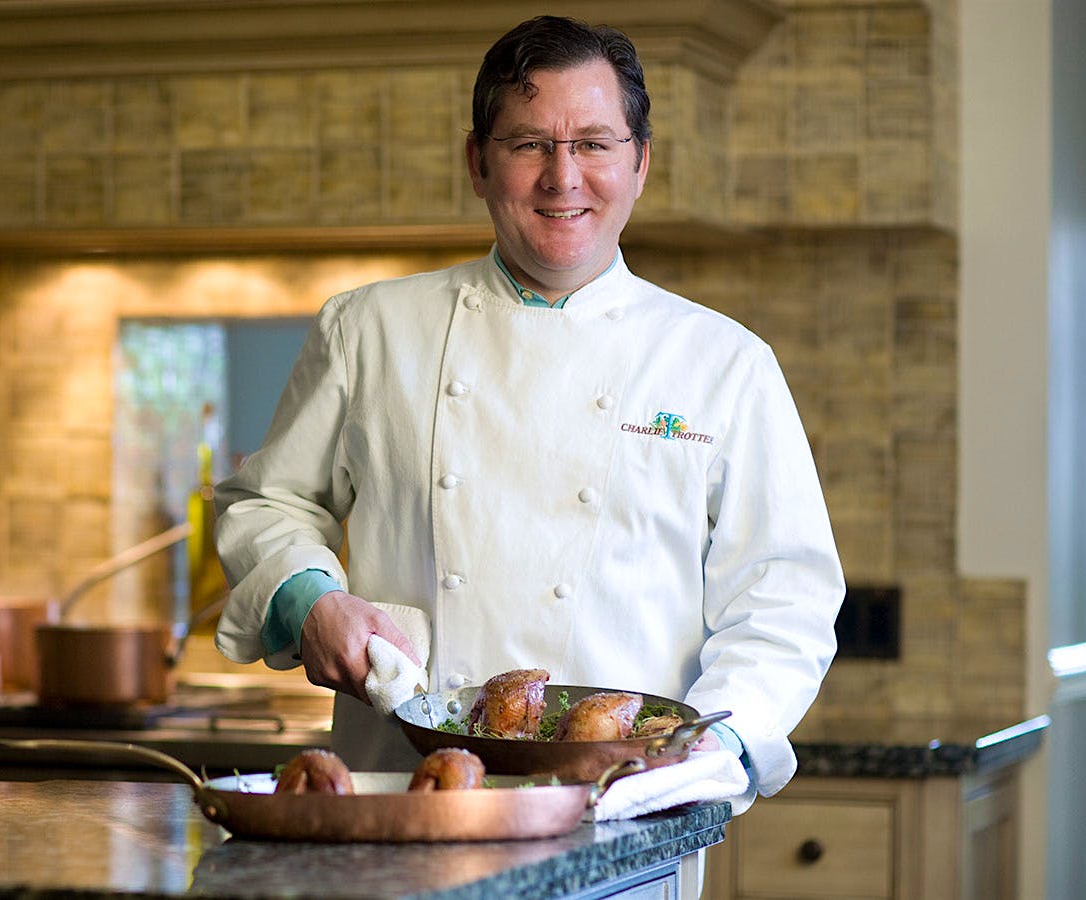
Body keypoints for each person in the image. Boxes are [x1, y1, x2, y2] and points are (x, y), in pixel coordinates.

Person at [211, 15, 844, 804]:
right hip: (402, 799)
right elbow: (267, 501)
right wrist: (309, 597)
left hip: (625, 811)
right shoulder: (368, 328)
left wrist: (716, 741)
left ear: (641, 163)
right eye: (528, 144)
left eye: (594, 143)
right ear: (477, 162)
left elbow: (786, 598)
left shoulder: (725, 365)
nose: (563, 177)